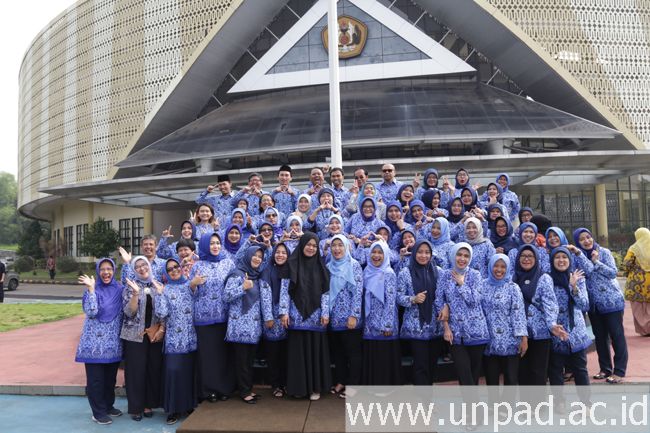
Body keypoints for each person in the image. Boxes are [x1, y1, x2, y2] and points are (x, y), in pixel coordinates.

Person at [280, 232, 332, 400]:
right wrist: (284, 312)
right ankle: (299, 388)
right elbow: (285, 290)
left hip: (316, 316)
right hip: (296, 315)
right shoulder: (291, 264)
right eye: (308, 245)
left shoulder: (321, 266)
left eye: (314, 246)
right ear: (302, 245)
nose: (311, 248)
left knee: (315, 352)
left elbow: (326, 292)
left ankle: (315, 388)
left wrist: (325, 312)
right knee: (298, 354)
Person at [574, 228, 627, 383]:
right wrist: (582, 256)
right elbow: (586, 272)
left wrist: (596, 261)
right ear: (577, 242)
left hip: (612, 302)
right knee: (600, 337)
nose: (586, 241)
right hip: (593, 304)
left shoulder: (603, 252)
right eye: (582, 239)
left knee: (616, 335)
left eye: (588, 237)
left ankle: (619, 371)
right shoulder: (578, 257)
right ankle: (605, 369)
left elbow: (612, 273)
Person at [75, 258, 124, 425]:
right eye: (102, 269)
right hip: (93, 345)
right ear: (98, 271)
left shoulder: (119, 289)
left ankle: (108, 406)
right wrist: (91, 289)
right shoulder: (91, 290)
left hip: (112, 344)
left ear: (114, 270)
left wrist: (128, 262)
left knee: (110, 380)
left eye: (109, 269)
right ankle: (98, 412)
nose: (106, 272)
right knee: (96, 381)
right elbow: (91, 312)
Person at [224, 246, 272, 404]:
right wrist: (242, 288)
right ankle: (244, 392)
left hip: (253, 328)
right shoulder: (237, 274)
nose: (257, 258)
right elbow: (226, 296)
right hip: (239, 328)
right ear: (248, 256)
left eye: (260, 256)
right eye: (254, 255)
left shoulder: (257, 276)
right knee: (242, 362)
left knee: (249, 361)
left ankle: (248, 388)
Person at [191, 233, 236, 402]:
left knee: (223, 355)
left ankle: (224, 388)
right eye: (211, 243)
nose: (215, 246)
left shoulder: (228, 263)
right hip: (203, 318)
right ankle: (208, 390)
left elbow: (234, 285)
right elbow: (190, 292)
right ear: (204, 245)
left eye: (217, 243)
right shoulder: (197, 266)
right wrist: (193, 283)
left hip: (224, 316)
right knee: (207, 356)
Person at [154, 259, 199, 425]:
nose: (174, 270)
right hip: (174, 339)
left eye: (176, 267)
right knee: (173, 371)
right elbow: (161, 313)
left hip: (191, 338)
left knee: (188, 373)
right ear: (166, 273)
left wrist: (194, 283)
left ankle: (188, 406)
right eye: (169, 269)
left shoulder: (190, 285)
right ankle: (173, 409)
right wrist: (160, 294)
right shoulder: (165, 289)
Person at [437, 243, 489, 386]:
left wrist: (462, 284)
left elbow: (475, 300)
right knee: (463, 371)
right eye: (459, 255)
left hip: (476, 331)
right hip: (455, 332)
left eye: (466, 256)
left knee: (473, 374)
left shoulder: (475, 275)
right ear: (453, 255)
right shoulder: (445, 275)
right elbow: (439, 300)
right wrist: (446, 326)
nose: (462, 259)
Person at [513, 245, 565, 385]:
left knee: (538, 372)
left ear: (536, 258)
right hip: (520, 332)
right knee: (522, 372)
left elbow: (550, 304)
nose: (526, 259)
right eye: (523, 256)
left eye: (530, 256)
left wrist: (552, 324)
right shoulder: (514, 277)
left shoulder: (544, 278)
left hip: (540, 333)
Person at [120, 256, 164, 421]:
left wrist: (161, 329)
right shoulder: (130, 286)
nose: (142, 268)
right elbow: (129, 312)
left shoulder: (156, 285)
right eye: (137, 266)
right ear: (134, 270)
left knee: (153, 370)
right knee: (135, 372)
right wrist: (135, 294)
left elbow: (163, 311)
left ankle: (148, 404)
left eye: (144, 264)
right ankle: (136, 407)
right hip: (134, 336)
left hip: (153, 334)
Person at [397, 240, 445, 385]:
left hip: (435, 325)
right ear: (414, 253)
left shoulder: (439, 272)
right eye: (419, 252)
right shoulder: (405, 273)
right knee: (420, 364)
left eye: (427, 252)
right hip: (416, 326)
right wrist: (413, 299)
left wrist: (446, 308)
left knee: (432, 363)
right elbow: (398, 297)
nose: (423, 255)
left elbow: (445, 295)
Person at [547, 247, 591, 404]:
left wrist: (574, 287)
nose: (561, 260)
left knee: (580, 369)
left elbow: (585, 305)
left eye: (564, 257)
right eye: (557, 257)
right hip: (556, 330)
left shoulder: (578, 278)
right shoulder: (547, 279)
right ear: (552, 260)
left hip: (575, 331)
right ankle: (559, 401)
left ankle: (585, 403)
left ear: (569, 260)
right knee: (556, 369)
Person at [480, 254, 527, 389]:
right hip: (489, 341)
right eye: (496, 266)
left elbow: (518, 314)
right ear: (490, 266)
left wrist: (523, 338)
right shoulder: (482, 285)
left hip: (510, 341)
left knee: (511, 380)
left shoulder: (513, 287)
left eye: (503, 267)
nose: (499, 270)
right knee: (491, 381)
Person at [327, 235, 363, 397]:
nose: (337, 249)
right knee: (338, 353)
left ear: (347, 247)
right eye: (334, 245)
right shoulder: (328, 266)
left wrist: (354, 315)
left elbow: (358, 292)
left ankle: (353, 385)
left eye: (340, 245)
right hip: (334, 318)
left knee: (353, 353)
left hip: (350, 318)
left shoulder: (354, 265)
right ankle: (341, 381)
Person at [362, 241, 401, 385]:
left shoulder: (389, 273)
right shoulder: (367, 271)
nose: (376, 255)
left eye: (380, 253)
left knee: (384, 356)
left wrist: (387, 325)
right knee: (373, 355)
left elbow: (391, 301)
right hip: (370, 321)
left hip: (385, 323)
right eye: (374, 252)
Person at [261, 243, 291, 398]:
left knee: (286, 354)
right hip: (272, 317)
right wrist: (268, 316)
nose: (280, 255)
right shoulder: (267, 270)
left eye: (284, 253)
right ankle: (276, 384)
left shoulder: (291, 270)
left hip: (288, 318)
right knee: (273, 354)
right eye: (277, 252)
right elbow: (265, 295)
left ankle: (286, 383)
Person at [623, 227, 650, 336]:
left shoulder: (634, 248)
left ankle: (645, 330)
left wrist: (627, 273)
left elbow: (626, 264)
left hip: (636, 283)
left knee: (638, 308)